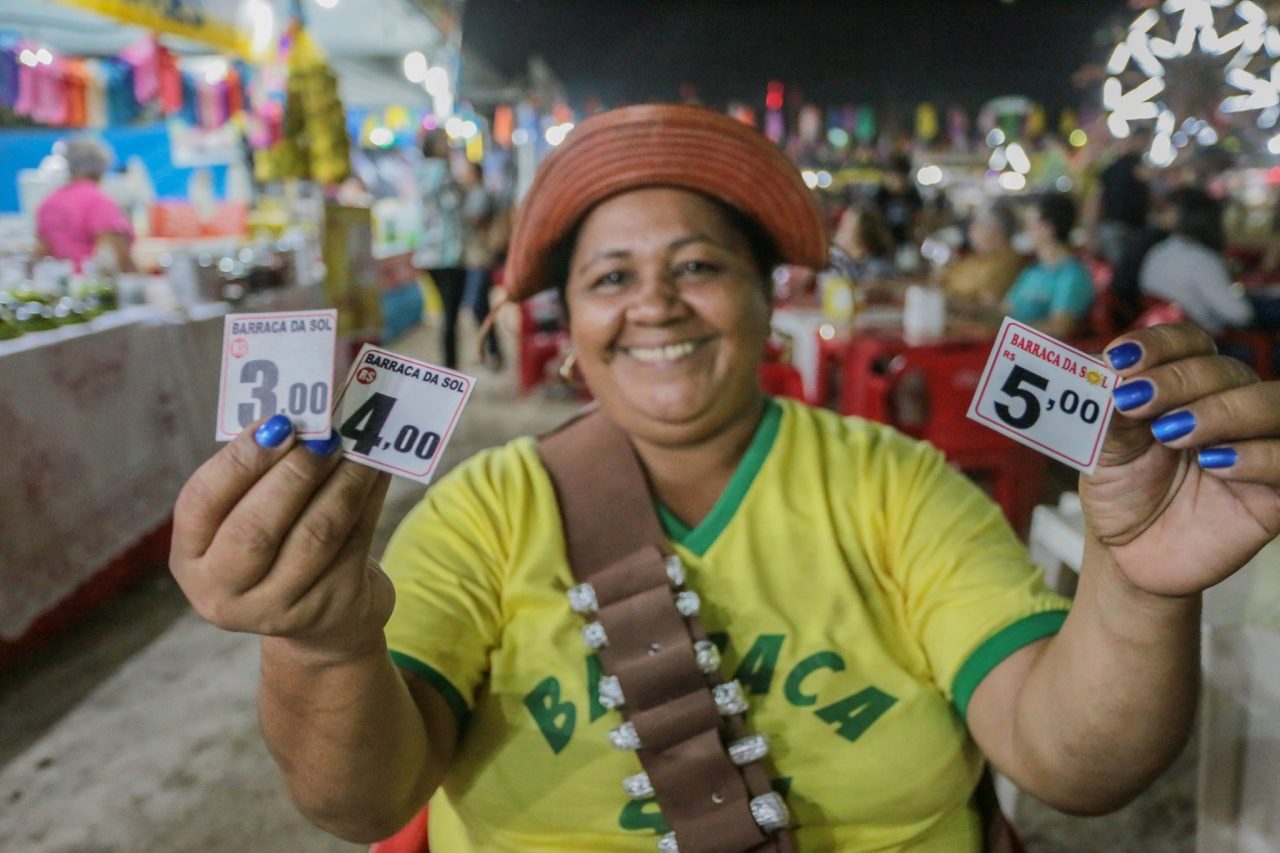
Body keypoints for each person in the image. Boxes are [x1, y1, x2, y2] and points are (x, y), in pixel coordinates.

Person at [169, 104, 1280, 851]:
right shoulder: (481, 507)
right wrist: (319, 640)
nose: (653, 303)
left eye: (698, 265)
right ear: (570, 331)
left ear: (769, 302)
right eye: (610, 277)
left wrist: (1138, 587)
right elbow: (359, 795)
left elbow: (1068, 759)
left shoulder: (894, 484)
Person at [1139, 187, 1254, 334]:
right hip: (1206, 343)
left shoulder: (1158, 251)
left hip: (1164, 333)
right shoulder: (1201, 259)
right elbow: (1241, 315)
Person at [35, 136, 136, 273]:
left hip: (59, 282)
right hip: (91, 285)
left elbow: (42, 250)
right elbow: (114, 253)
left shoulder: (49, 202)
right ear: (101, 167)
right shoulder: (98, 202)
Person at [1000, 192, 1094, 337]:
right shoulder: (1034, 269)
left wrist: (1005, 332)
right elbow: (1005, 309)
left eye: (1030, 225)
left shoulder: (1072, 274)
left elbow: (1060, 326)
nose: (1026, 231)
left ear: (1048, 228)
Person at [413, 130, 466, 369]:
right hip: (449, 253)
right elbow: (453, 206)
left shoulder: (419, 173)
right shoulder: (444, 173)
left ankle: (448, 367)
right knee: (450, 317)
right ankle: (451, 369)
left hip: (427, 253)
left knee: (445, 315)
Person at [458, 160, 503, 370]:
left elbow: (475, 221)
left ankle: (488, 350)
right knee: (481, 306)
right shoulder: (475, 194)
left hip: (481, 258)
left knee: (477, 305)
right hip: (476, 258)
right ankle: (490, 351)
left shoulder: (479, 195)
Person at [1084, 130, 1152, 264]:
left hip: (1111, 227)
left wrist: (1090, 231)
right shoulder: (1134, 163)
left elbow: (1094, 202)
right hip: (1127, 229)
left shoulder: (1109, 168)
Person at [940, 202, 1025, 306]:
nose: (971, 229)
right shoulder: (975, 258)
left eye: (978, 224)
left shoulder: (1007, 262)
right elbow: (943, 282)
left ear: (996, 230)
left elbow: (985, 303)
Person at [830, 204, 896, 281]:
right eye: (842, 224)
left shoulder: (879, 267)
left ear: (862, 235)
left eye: (845, 226)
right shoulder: (835, 259)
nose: (839, 230)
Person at [872, 154, 923, 249]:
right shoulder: (881, 195)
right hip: (883, 246)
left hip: (907, 244)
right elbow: (876, 221)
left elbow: (918, 218)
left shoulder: (912, 193)